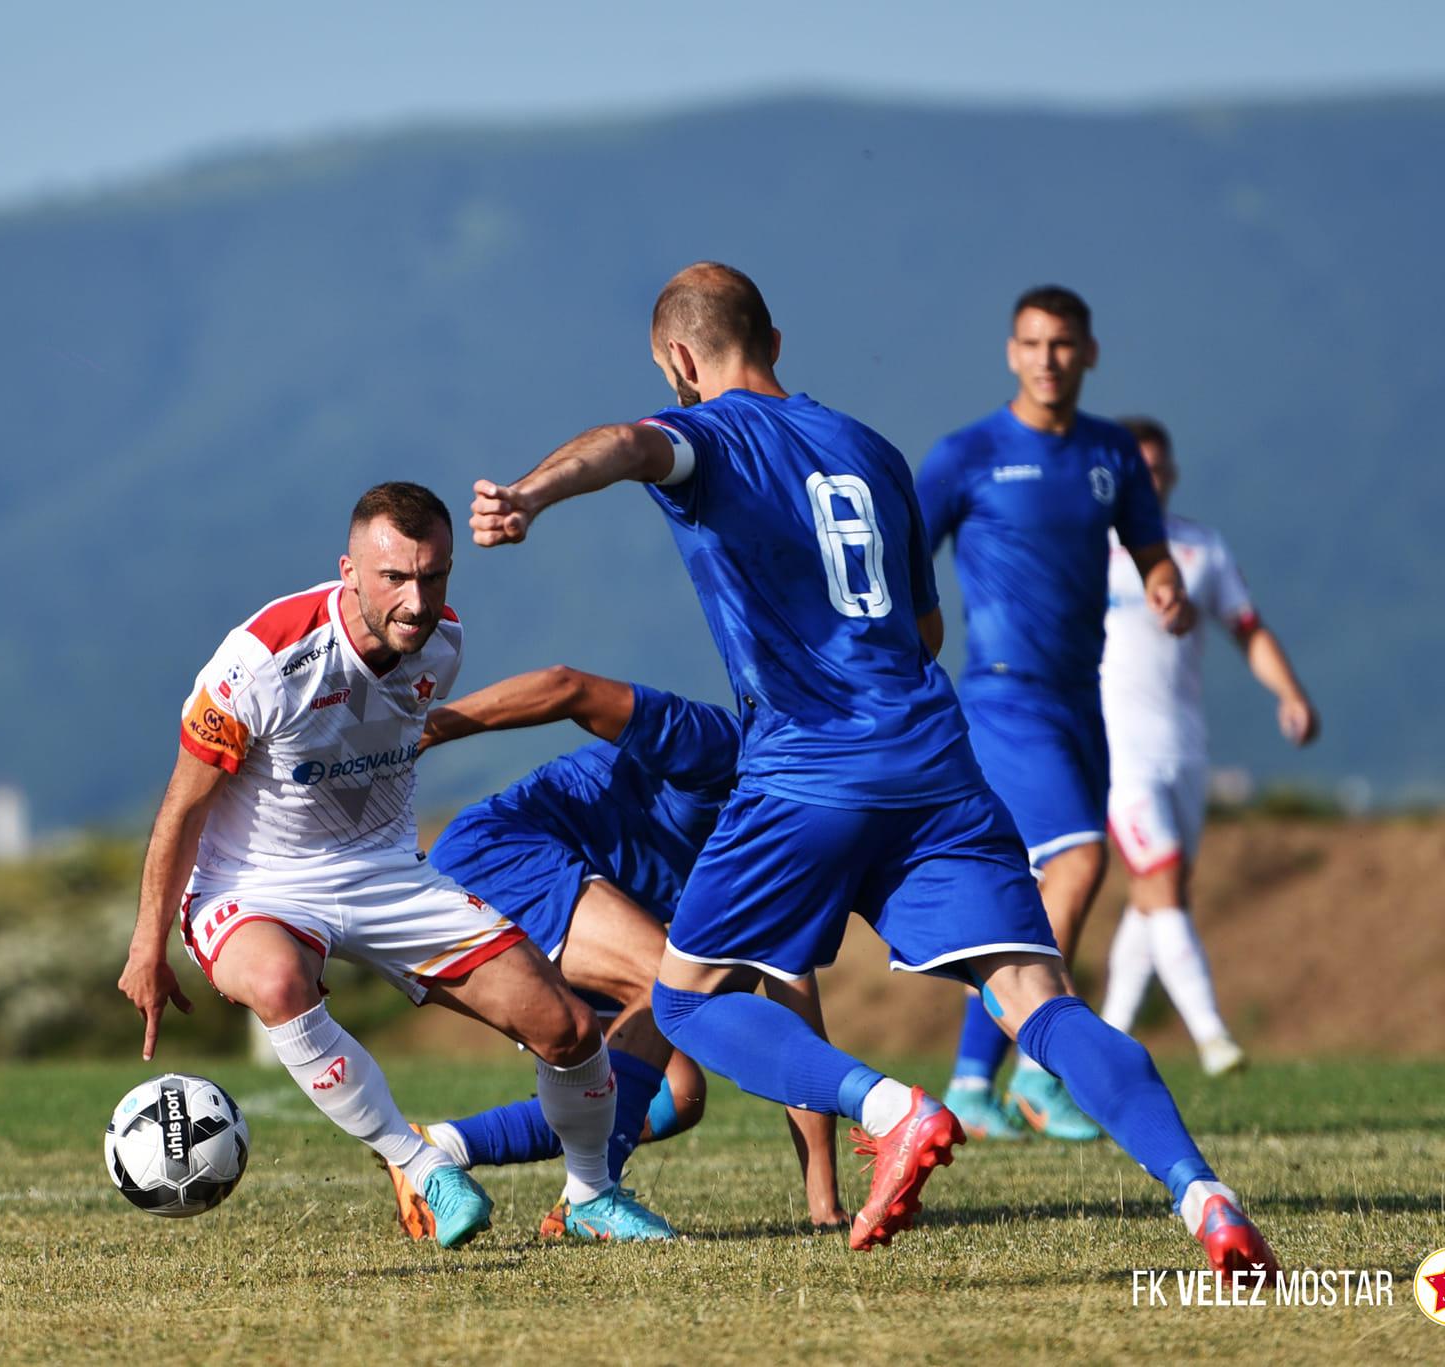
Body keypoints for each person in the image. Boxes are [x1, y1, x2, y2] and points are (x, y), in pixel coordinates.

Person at [467, 261, 1276, 1278]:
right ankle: (1202, 1194)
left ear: (679, 357)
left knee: (683, 998)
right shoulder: (873, 450)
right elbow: (923, 627)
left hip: (806, 763)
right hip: (936, 758)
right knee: (1034, 991)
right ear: (774, 335)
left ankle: (891, 1108)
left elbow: (629, 445)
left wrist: (531, 493)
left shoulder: (705, 436)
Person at [115, 481, 674, 1247]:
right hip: (252, 885)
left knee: (571, 1028)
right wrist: (148, 945)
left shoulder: (442, 644)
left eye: (434, 576)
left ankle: (590, 1196)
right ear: (348, 570)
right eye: (395, 578)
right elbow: (181, 808)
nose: (418, 600)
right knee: (281, 982)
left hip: (385, 872)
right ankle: (421, 1164)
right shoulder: (262, 663)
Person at [378, 665, 845, 1240]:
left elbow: (796, 1023)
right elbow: (567, 686)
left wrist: (823, 1200)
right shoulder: (720, 745)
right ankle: (591, 1198)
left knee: (678, 1095)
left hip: (565, 895)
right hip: (500, 856)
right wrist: (429, 727)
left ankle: (441, 1148)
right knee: (668, 979)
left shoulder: (789, 845)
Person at [916, 286, 1193, 1143]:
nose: (1048, 358)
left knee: (1039, 886)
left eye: (1064, 344)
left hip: (1084, 695)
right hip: (1002, 695)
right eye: (1032, 343)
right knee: (1075, 863)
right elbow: (900, 558)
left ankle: (972, 1080)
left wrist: (1163, 580)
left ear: (1090, 353)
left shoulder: (1111, 452)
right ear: (1010, 352)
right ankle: (1037, 1070)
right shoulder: (967, 454)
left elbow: (1149, 547)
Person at [1098, 416, 1320, 1075]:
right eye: (1139, 469)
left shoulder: (1201, 549)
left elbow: (1247, 627)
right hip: (1117, 752)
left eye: (1159, 469)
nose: (1152, 480)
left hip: (1185, 751)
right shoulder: (1085, 546)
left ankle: (1103, 1043)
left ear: (1171, 474)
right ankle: (1213, 1035)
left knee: (1155, 895)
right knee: (1162, 880)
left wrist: (1291, 693)